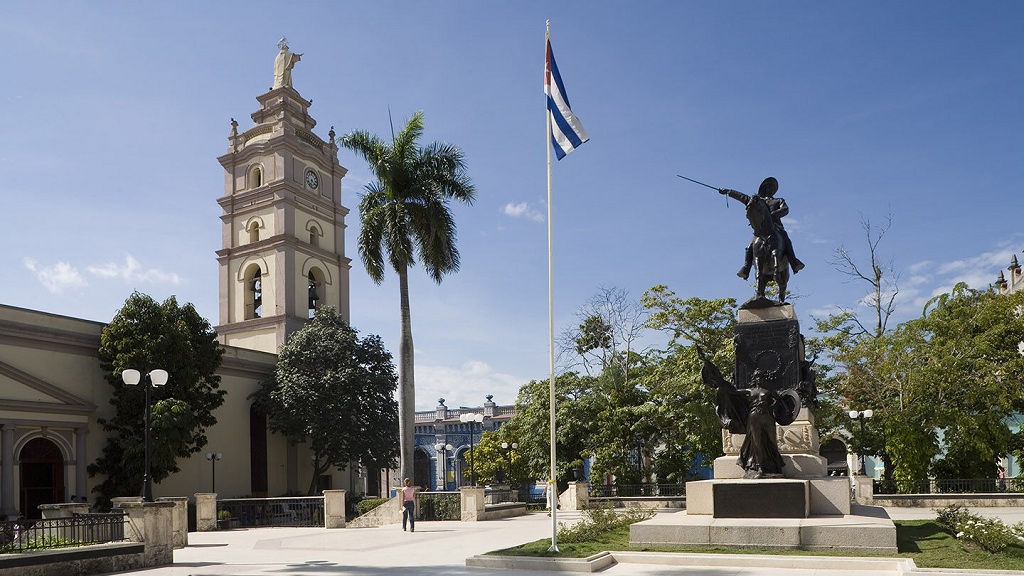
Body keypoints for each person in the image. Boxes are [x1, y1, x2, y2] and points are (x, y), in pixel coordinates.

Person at [719, 177, 804, 279]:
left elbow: (785, 209)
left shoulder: (779, 200)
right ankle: (746, 267)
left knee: (786, 239)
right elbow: (742, 197)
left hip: (776, 227)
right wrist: (728, 192)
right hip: (759, 231)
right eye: (768, 187)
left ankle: (793, 261)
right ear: (764, 189)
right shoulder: (757, 201)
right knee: (750, 245)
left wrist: (773, 215)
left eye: (772, 188)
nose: (770, 189)